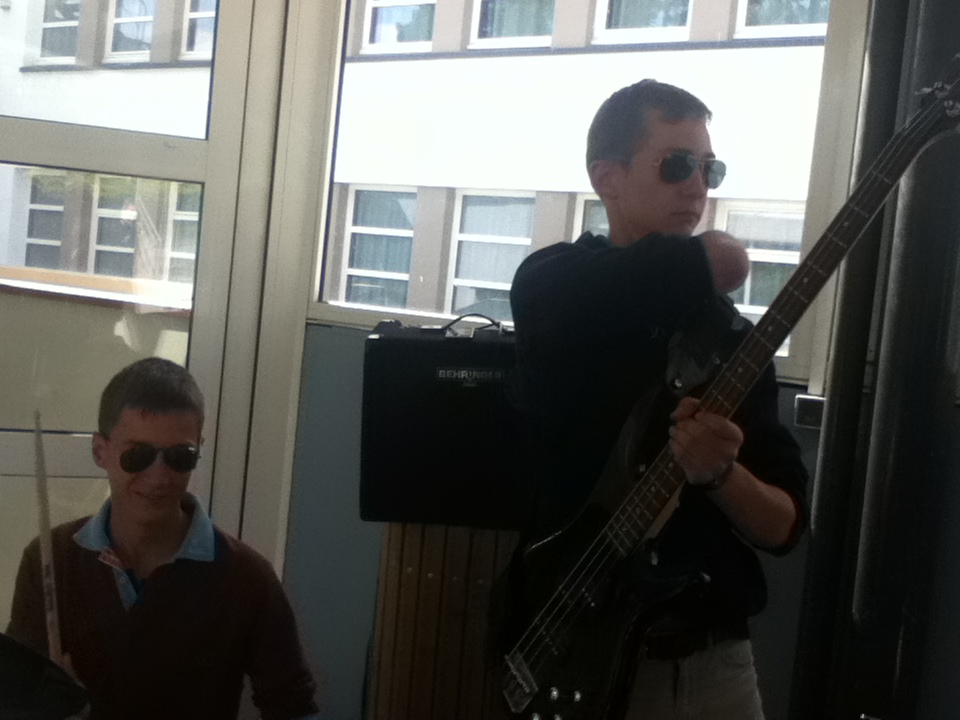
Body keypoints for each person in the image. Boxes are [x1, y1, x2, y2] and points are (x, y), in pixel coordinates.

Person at [508, 80, 809, 718]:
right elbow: (721, 262)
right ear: (607, 178)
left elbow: (784, 526)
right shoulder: (553, 286)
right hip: (587, 656)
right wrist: (716, 255)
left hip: (718, 664)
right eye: (677, 165)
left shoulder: (735, 341)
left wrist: (722, 474)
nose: (698, 187)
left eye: (709, 169)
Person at [6, 357, 321, 720]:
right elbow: (14, 698)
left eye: (180, 456)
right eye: (138, 454)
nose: (159, 477)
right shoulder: (51, 558)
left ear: (199, 449)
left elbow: (293, 707)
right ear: (100, 451)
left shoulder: (246, 577)